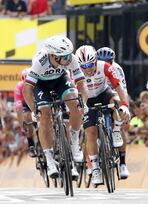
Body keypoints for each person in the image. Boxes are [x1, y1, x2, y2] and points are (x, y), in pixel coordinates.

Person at [23, 35, 88, 179]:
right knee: (45, 115)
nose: (68, 59)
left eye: (68, 55)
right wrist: (34, 109)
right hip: (41, 85)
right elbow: (27, 89)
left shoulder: (71, 59)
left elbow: (82, 84)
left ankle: (75, 140)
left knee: (76, 105)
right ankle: (50, 159)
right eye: (64, 56)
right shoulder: (40, 61)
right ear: (53, 55)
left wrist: (83, 102)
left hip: (60, 80)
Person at [76, 45, 130, 184]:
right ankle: (95, 168)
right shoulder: (75, 73)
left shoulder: (105, 66)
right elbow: (74, 95)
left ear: (96, 61)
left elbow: (119, 87)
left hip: (103, 93)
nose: (87, 69)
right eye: (84, 66)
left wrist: (125, 107)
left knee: (116, 101)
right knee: (91, 132)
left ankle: (116, 129)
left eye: (90, 64)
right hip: (87, 99)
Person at [96, 46, 130, 179]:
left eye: (109, 62)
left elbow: (123, 90)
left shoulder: (117, 69)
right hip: (98, 94)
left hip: (113, 93)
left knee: (120, 121)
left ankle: (122, 163)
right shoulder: (95, 68)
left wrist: (125, 108)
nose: (106, 64)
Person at [14, 67, 36, 157]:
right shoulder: (19, 87)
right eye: (25, 83)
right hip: (25, 104)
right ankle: (31, 145)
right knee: (27, 117)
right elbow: (19, 109)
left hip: (35, 101)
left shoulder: (37, 84)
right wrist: (22, 127)